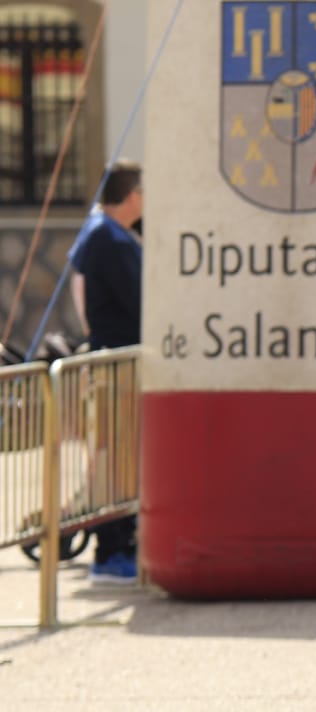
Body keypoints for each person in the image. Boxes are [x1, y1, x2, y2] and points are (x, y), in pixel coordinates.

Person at [70, 159, 143, 585]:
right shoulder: (107, 239)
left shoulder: (110, 234)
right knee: (113, 458)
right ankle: (110, 550)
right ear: (131, 196)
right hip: (114, 364)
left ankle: (122, 542)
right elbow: (137, 301)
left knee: (120, 457)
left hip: (118, 361)